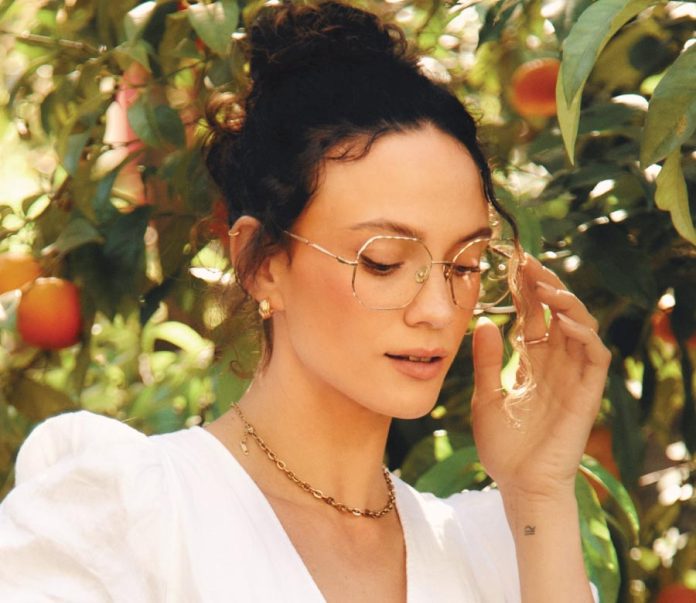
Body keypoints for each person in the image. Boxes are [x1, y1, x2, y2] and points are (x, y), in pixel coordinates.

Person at [0, 2, 610, 601]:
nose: (439, 310)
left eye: (465, 265)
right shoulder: (130, 514)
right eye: (383, 261)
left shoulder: (493, 551)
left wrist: (538, 493)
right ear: (260, 262)